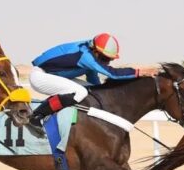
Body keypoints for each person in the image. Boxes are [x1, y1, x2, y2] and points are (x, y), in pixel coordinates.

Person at [26, 33, 154, 132]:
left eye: (109, 60)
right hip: (41, 77)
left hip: (53, 76)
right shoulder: (86, 56)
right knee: (80, 92)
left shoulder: (91, 54)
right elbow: (112, 73)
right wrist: (140, 72)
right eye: (105, 58)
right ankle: (36, 116)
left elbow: (93, 81)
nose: (107, 62)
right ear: (95, 51)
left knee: (92, 91)